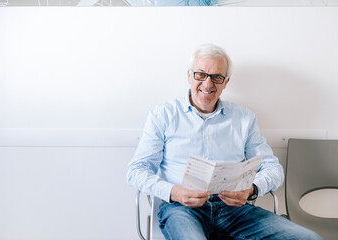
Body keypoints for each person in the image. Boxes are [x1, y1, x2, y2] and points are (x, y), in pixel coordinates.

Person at [126, 43, 322, 240]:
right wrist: (174, 192)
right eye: (201, 74)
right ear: (189, 75)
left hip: (236, 211)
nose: (208, 84)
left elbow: (273, 169)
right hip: (182, 209)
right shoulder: (163, 115)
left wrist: (252, 189)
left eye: (216, 77)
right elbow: (137, 171)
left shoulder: (244, 119)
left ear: (226, 82)